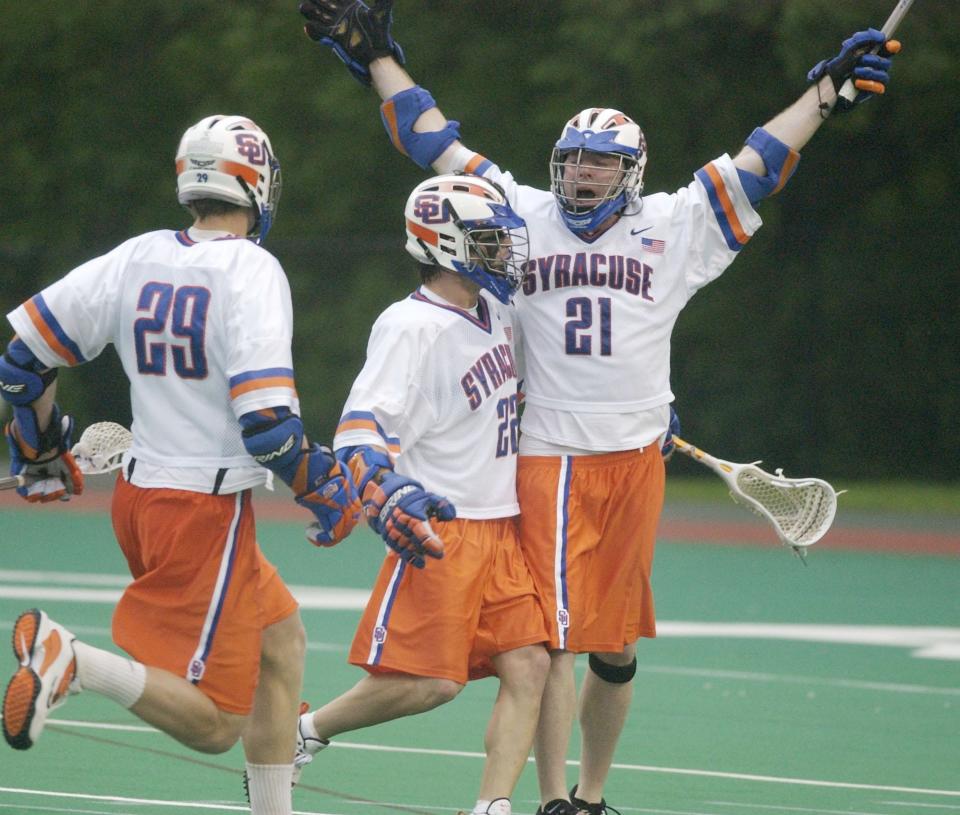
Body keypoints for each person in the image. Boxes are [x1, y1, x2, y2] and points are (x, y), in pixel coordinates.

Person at [296, 3, 902, 814]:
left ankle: (589, 794)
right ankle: (549, 798)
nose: (582, 175)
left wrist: (826, 94)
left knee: (613, 648)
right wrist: (375, 58)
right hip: (549, 458)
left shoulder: (674, 225)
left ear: (632, 171)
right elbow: (427, 137)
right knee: (549, 643)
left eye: (600, 164)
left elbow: (762, 159)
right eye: (573, 160)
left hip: (635, 459)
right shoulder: (519, 218)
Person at [0, 114, 361, 815]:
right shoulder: (252, 268)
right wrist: (324, 489)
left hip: (143, 499)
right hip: (204, 511)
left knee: (282, 641)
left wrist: (39, 445)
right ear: (256, 184)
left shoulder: (138, 255)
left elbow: (21, 362)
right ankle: (72, 659)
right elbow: (268, 428)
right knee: (217, 723)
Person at [293, 173, 551, 815]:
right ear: (445, 244)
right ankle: (303, 734)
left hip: (503, 524)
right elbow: (360, 429)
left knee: (531, 665)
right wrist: (384, 489)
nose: (502, 252)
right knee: (433, 683)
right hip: (447, 525)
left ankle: (493, 806)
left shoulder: (495, 309)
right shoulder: (410, 326)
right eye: (487, 240)